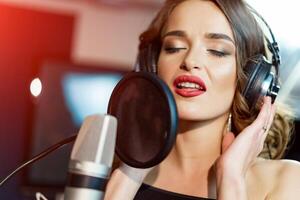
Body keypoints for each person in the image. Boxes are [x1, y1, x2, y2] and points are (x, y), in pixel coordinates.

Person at [105, 0, 300, 199]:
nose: (190, 61)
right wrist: (127, 177)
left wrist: (231, 179)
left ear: (254, 80)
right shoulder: (100, 166)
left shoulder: (286, 180)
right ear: (151, 66)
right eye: (174, 47)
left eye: (217, 51)